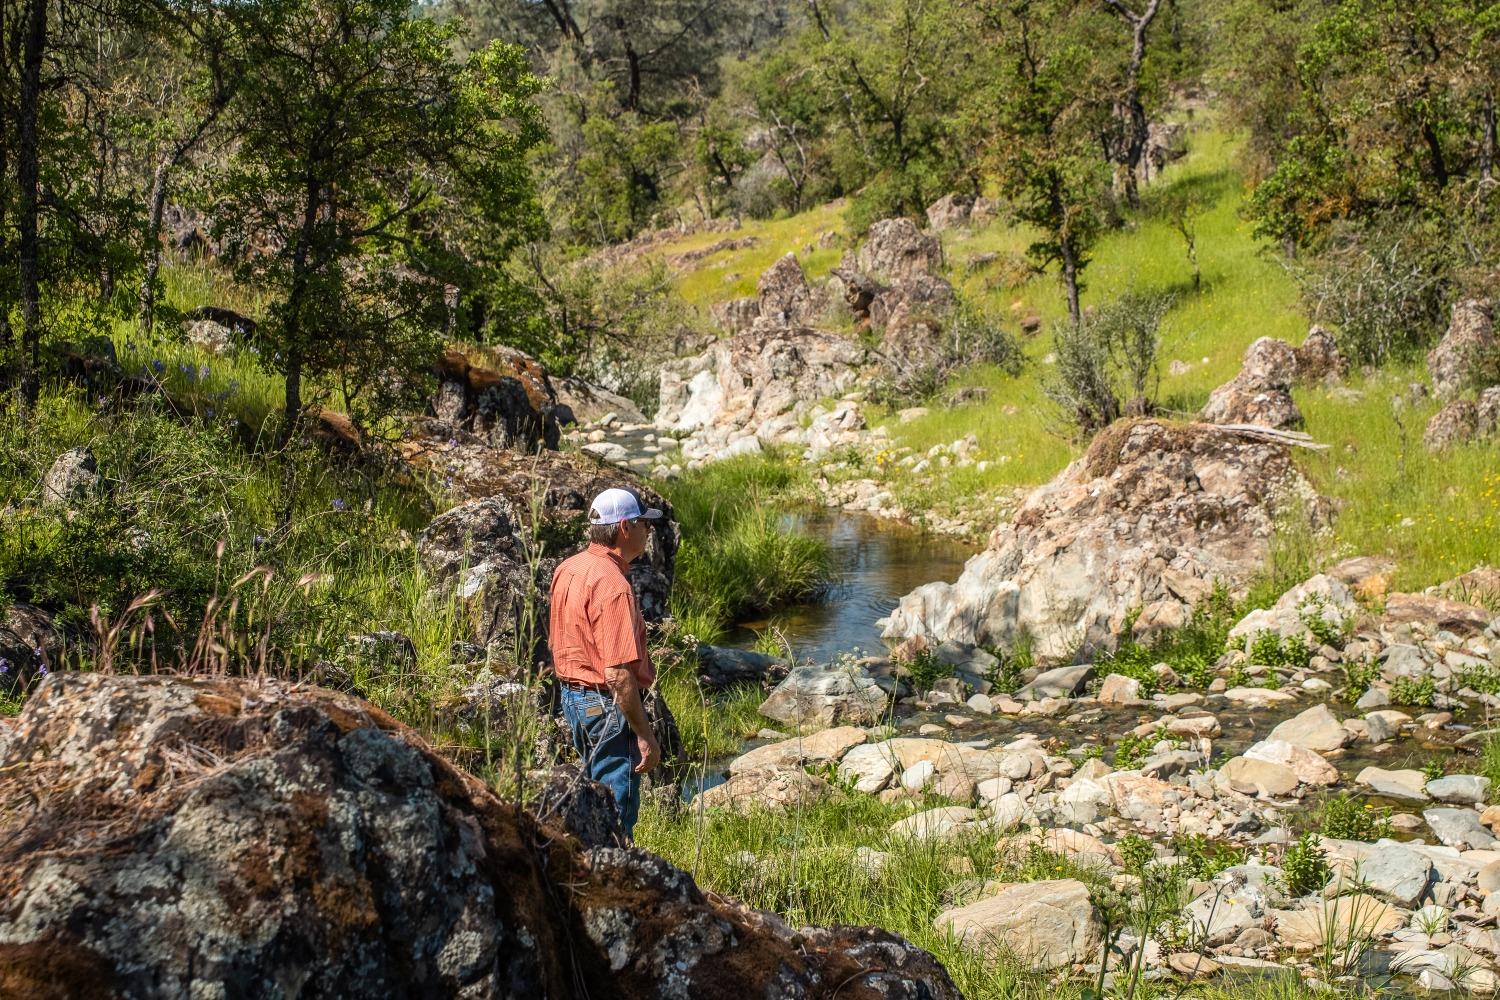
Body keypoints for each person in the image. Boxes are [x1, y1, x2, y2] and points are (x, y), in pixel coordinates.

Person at [548, 486, 663, 839]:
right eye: (644, 523)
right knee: (617, 812)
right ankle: (614, 876)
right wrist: (645, 735)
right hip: (604, 706)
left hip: (572, 699)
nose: (649, 531)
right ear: (626, 527)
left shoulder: (568, 568)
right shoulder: (613, 583)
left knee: (593, 802)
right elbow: (617, 675)